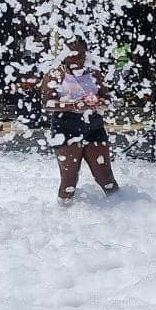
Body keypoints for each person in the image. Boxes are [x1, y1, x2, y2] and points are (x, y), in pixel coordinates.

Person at [41, 40, 119, 203]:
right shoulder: (55, 74)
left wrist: (99, 102)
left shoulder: (94, 73)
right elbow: (47, 103)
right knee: (69, 179)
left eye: (82, 55)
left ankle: (123, 210)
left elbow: (107, 99)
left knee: (105, 176)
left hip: (94, 125)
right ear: (65, 56)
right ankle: (62, 217)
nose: (79, 60)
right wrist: (72, 105)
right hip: (65, 127)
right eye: (74, 56)